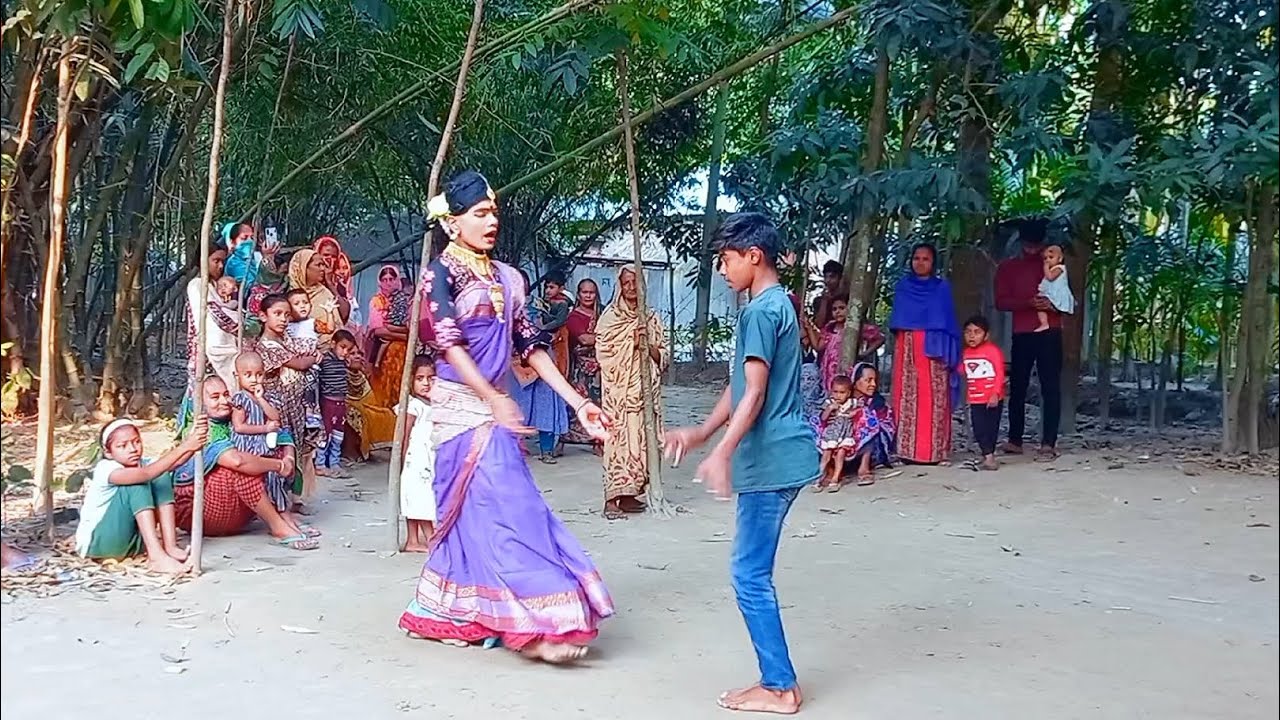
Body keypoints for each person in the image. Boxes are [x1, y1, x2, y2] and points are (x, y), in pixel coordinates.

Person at [397, 170, 613, 664]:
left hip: (497, 407)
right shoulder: (439, 276)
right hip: (461, 410)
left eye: (494, 212)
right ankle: (536, 621)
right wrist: (492, 399)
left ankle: (512, 615)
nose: (492, 221)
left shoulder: (509, 279)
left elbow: (531, 346)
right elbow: (448, 345)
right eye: (480, 213)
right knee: (509, 507)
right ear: (453, 224)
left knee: (504, 510)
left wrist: (578, 401)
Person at [663, 212, 817, 715]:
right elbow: (739, 387)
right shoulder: (777, 306)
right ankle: (778, 681)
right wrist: (703, 432)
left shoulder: (759, 313)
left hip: (770, 461)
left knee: (749, 575)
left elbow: (754, 392)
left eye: (727, 260)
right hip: (785, 455)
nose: (723, 270)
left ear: (755, 256)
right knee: (753, 572)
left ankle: (779, 686)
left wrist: (723, 453)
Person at [171, 377, 318, 550]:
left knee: (264, 446)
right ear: (199, 402)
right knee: (243, 467)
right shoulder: (201, 429)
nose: (224, 401)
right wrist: (278, 465)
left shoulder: (234, 419)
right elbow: (237, 461)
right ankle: (278, 526)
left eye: (226, 394)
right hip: (198, 510)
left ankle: (283, 516)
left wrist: (288, 458)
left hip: (229, 509)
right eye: (215, 397)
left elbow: (280, 431)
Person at [75, 419, 207, 573]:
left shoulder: (144, 463)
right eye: (122, 446)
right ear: (108, 452)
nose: (132, 449)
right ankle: (157, 557)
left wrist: (195, 440)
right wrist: (186, 446)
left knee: (161, 476)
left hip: (129, 543)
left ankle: (170, 546)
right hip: (99, 544)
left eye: (136, 442)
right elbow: (145, 474)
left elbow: (173, 463)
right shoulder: (106, 468)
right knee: (139, 482)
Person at [595, 265, 669, 519]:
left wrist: (648, 347)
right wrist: (631, 343)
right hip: (620, 396)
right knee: (619, 443)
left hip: (645, 394)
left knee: (643, 444)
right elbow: (603, 353)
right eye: (626, 283)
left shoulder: (651, 318)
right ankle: (612, 499)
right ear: (620, 285)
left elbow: (665, 355)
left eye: (635, 282)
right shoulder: (610, 318)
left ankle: (631, 494)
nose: (630, 288)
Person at [994, 218, 1063, 460]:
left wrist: (1052, 306)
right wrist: (1027, 303)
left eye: (1036, 245)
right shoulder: (1007, 268)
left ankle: (1049, 441)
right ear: (1021, 242)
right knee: (1019, 386)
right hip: (1022, 332)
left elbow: (1069, 301)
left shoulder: (1057, 268)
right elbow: (1001, 301)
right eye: (1028, 244)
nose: (1033, 250)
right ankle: (1015, 439)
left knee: (1050, 386)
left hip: (1050, 331)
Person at [888, 242, 960, 465]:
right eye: (916, 258)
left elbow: (947, 321)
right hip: (908, 346)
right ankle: (906, 451)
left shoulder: (941, 288)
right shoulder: (903, 286)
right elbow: (899, 321)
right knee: (906, 397)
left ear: (933, 263)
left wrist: (945, 349)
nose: (920, 263)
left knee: (935, 397)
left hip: (934, 348)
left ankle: (936, 452)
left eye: (925, 259)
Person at [255, 293, 322, 510]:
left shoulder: (287, 339)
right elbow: (301, 363)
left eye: (286, 314)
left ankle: (295, 498)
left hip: (298, 407)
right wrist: (312, 358)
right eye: (277, 314)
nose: (283, 319)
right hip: (279, 409)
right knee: (283, 449)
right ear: (263, 316)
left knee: (300, 449)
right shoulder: (265, 346)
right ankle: (278, 501)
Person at [228, 351, 293, 514]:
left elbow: (275, 417)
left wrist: (261, 399)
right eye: (248, 375)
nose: (254, 379)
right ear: (238, 376)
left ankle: (280, 509)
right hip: (247, 444)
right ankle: (276, 513)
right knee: (268, 471)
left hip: (262, 442)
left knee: (276, 476)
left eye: (258, 374)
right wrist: (265, 428)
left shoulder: (265, 397)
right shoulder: (240, 399)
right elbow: (239, 427)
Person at [516, 271, 571, 464]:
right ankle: (514, 448)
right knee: (515, 407)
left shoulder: (540, 305)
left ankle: (546, 449)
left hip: (543, 359)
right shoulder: (501, 305)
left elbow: (553, 328)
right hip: (514, 363)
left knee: (546, 406)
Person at [184, 244, 237, 393]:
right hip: (207, 350)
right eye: (216, 261)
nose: (220, 266)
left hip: (220, 347)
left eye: (223, 262)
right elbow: (217, 314)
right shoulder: (197, 285)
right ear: (202, 260)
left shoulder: (216, 286)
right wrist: (240, 323)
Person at [398, 355, 437, 553]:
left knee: (417, 498)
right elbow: (403, 436)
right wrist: (403, 461)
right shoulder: (413, 405)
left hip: (427, 459)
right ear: (411, 380)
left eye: (431, 378)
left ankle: (414, 539)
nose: (426, 383)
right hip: (415, 460)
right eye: (420, 378)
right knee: (418, 499)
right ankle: (429, 536)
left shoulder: (433, 403)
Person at [562, 278, 604, 454]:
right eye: (584, 292)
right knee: (579, 404)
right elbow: (584, 340)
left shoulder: (603, 314)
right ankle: (566, 439)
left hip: (602, 368)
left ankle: (598, 442)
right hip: (581, 369)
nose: (588, 295)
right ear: (579, 294)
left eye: (591, 292)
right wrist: (609, 337)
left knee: (602, 404)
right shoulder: (574, 317)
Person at [960, 315, 1006, 471]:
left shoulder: (993, 351)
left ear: (986, 335)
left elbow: (999, 373)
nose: (972, 335)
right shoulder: (965, 353)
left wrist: (996, 393)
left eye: (977, 332)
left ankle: (989, 456)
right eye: (968, 332)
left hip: (993, 398)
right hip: (975, 399)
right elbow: (962, 372)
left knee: (991, 428)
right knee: (978, 428)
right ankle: (987, 454)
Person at [817, 295, 886, 392]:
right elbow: (819, 347)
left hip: (846, 369)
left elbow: (880, 338)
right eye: (834, 309)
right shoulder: (830, 327)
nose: (838, 312)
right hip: (828, 371)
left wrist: (865, 353)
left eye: (842, 308)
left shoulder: (856, 328)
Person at [343, 344, 398, 462]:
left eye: (359, 354)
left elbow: (370, 401)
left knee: (389, 414)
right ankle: (351, 454)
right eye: (352, 354)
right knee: (356, 415)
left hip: (363, 407)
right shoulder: (340, 374)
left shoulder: (361, 376)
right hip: (345, 408)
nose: (357, 357)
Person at [367, 265, 412, 406]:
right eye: (385, 279)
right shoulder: (376, 301)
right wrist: (404, 336)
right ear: (380, 281)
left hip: (403, 353)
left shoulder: (403, 300)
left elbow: (410, 328)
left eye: (391, 279)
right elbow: (378, 331)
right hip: (381, 349)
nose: (388, 283)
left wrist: (393, 332)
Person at [288, 248, 350, 350]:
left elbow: (344, 315)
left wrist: (330, 284)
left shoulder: (324, 292)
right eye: (318, 265)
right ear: (303, 268)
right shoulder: (290, 297)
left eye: (323, 265)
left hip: (334, 352)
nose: (323, 269)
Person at [847, 362, 897, 485]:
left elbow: (886, 428)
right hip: (845, 444)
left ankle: (864, 467)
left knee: (867, 417)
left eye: (874, 380)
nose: (873, 385)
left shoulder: (878, 403)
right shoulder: (844, 398)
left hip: (874, 450)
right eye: (868, 380)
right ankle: (831, 470)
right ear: (855, 381)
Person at [316, 330, 356, 478]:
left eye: (348, 349)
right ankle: (320, 464)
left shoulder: (343, 362)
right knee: (325, 434)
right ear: (333, 344)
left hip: (341, 404)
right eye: (342, 347)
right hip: (328, 403)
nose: (345, 352)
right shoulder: (324, 360)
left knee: (338, 435)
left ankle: (334, 463)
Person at [814, 375, 856, 492]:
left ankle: (835, 478)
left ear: (848, 393)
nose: (838, 395)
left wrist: (854, 413)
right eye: (835, 392)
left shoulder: (852, 403)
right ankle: (819, 478)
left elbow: (861, 410)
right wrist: (830, 409)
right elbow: (823, 418)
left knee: (840, 454)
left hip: (845, 434)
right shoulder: (829, 402)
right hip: (831, 434)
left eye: (842, 392)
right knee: (826, 455)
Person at [1036, 243, 1073, 331]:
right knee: (1039, 304)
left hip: (1057, 294)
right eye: (1045, 258)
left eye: (1051, 257)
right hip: (1051, 292)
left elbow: (1050, 277)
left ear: (1060, 258)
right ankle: (1044, 323)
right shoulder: (1053, 268)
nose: (1047, 260)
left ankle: (1048, 323)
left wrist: (1045, 267)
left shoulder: (1059, 268)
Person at [811, 259, 845, 328]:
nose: (828, 280)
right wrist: (824, 301)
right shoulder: (819, 301)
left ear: (840, 278)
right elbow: (819, 324)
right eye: (826, 277)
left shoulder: (846, 299)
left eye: (832, 277)